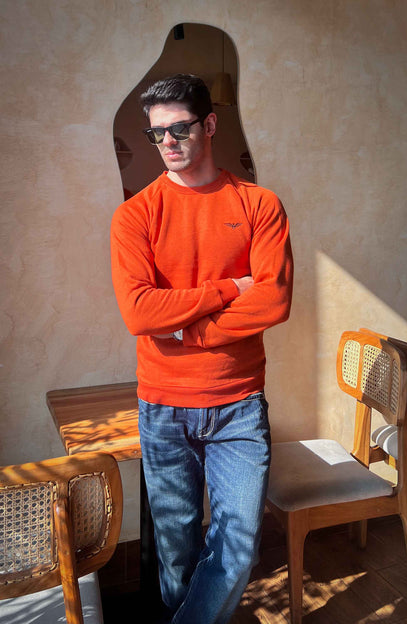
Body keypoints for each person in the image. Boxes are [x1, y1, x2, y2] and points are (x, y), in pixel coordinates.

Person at [111, 74, 293, 624]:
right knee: (177, 558)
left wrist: (188, 331)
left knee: (237, 549)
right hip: (163, 407)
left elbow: (273, 301)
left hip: (239, 405)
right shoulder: (135, 215)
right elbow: (140, 313)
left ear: (209, 125)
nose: (167, 141)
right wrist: (226, 289)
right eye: (157, 133)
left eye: (180, 128)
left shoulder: (259, 204)